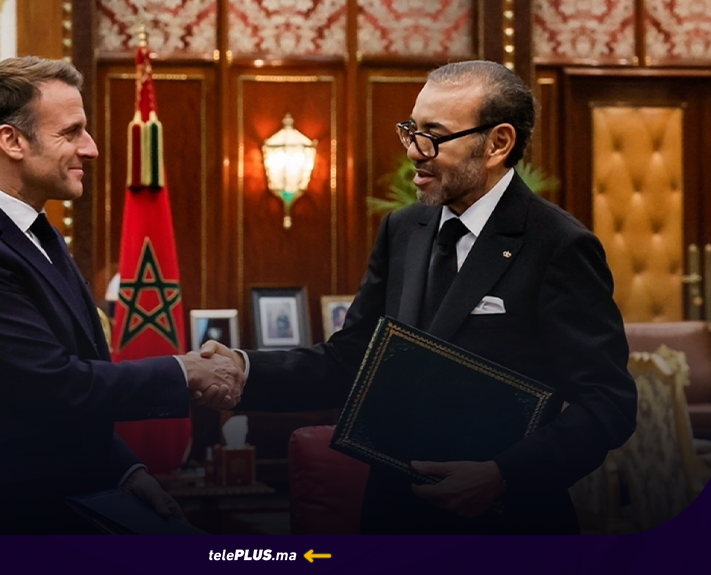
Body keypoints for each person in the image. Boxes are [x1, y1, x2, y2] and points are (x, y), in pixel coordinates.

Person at [201, 60, 636, 534]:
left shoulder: (558, 245)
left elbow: (607, 404)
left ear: (498, 143)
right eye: (411, 130)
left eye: (433, 135)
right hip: (393, 519)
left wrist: (503, 476)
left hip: (507, 528)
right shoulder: (404, 228)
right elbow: (352, 361)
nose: (413, 150)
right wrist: (243, 369)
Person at [0, 56, 243, 534]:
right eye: (71, 132)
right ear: (12, 141)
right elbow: (53, 387)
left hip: (70, 506)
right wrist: (183, 370)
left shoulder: (35, 234)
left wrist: (127, 471)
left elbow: (70, 390)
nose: (91, 149)